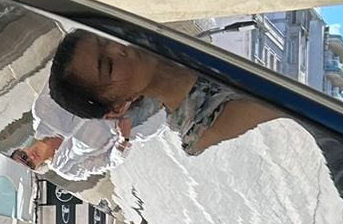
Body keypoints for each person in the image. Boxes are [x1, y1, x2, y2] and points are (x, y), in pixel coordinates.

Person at [50, 29, 281, 157]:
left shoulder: (177, 36)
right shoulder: (205, 129)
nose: (118, 48)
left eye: (106, 39)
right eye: (108, 66)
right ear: (119, 107)